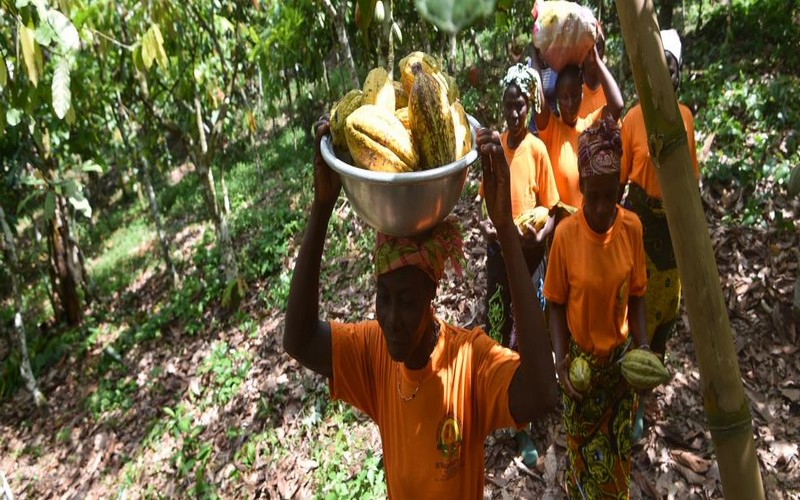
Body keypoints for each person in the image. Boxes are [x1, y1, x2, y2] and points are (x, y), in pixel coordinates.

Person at [283, 118, 559, 498]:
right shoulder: (375, 349)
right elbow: (298, 339)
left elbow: (542, 391)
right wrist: (322, 206)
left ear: (432, 294)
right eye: (384, 296)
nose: (391, 318)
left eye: (408, 301)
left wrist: (507, 232)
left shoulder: (469, 361)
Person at [543, 116, 649, 498]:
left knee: (618, 461)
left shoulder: (632, 228)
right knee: (583, 460)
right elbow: (554, 303)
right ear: (582, 188)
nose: (604, 207)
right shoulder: (566, 236)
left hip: (620, 371)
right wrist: (560, 360)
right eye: (594, 196)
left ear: (621, 187)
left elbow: (637, 294)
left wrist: (645, 349)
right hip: (580, 370)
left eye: (612, 195)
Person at [619, 28, 699, 440]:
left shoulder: (684, 118)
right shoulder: (632, 118)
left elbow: (690, 182)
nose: (666, 77)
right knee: (636, 314)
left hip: (672, 229)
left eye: (672, 69)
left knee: (664, 316)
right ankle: (626, 398)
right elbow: (618, 184)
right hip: (637, 225)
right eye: (659, 69)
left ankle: (641, 405)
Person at [479, 63, 560, 466]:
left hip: (529, 260)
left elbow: (553, 209)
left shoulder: (537, 149)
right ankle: (508, 416)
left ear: (530, 106)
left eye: (521, 106)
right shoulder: (496, 151)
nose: (514, 114)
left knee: (527, 336)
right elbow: (484, 205)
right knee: (499, 332)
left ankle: (525, 420)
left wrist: (539, 236)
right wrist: (492, 231)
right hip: (499, 260)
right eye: (509, 106)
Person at [531, 44, 624, 210]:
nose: (570, 103)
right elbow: (537, 95)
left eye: (574, 96)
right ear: (557, 98)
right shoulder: (551, 129)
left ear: (582, 94)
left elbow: (617, 106)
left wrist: (596, 61)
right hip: (560, 226)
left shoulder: (591, 126)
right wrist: (535, 57)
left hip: (590, 223)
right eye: (564, 97)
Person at [578, 25, 607, 119]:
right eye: (588, 49)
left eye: (597, 48)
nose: (593, 56)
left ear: (604, 49)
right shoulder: (574, 92)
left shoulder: (610, 90)